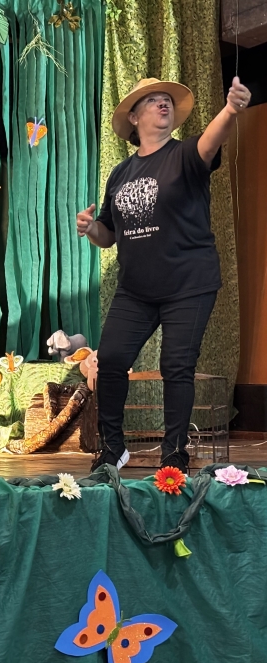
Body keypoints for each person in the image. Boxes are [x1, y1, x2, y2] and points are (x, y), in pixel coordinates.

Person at [76, 76, 251, 474]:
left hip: (189, 284)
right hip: (136, 290)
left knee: (176, 365)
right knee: (111, 360)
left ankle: (174, 453)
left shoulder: (185, 154)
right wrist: (90, 228)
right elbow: (108, 235)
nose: (163, 104)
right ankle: (113, 449)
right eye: (153, 100)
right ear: (134, 117)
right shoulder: (120, 174)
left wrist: (230, 109)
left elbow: (211, 139)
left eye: (167, 99)